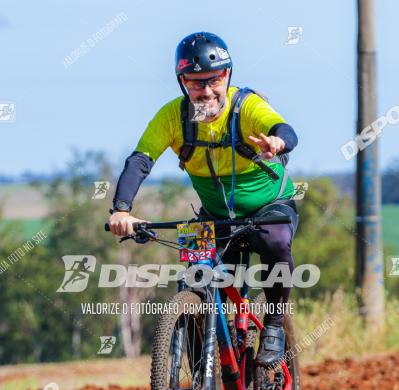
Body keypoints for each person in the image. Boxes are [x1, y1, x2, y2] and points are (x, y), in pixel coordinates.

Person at [107, 32, 299, 366]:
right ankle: (205, 380)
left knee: (275, 243)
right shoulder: (173, 117)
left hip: (270, 207)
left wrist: (277, 143)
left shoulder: (246, 107)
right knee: (197, 277)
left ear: (227, 76)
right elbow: (140, 161)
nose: (206, 91)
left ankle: (274, 325)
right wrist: (122, 210)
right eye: (196, 84)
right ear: (182, 82)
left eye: (214, 81)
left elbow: (285, 129)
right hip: (215, 214)